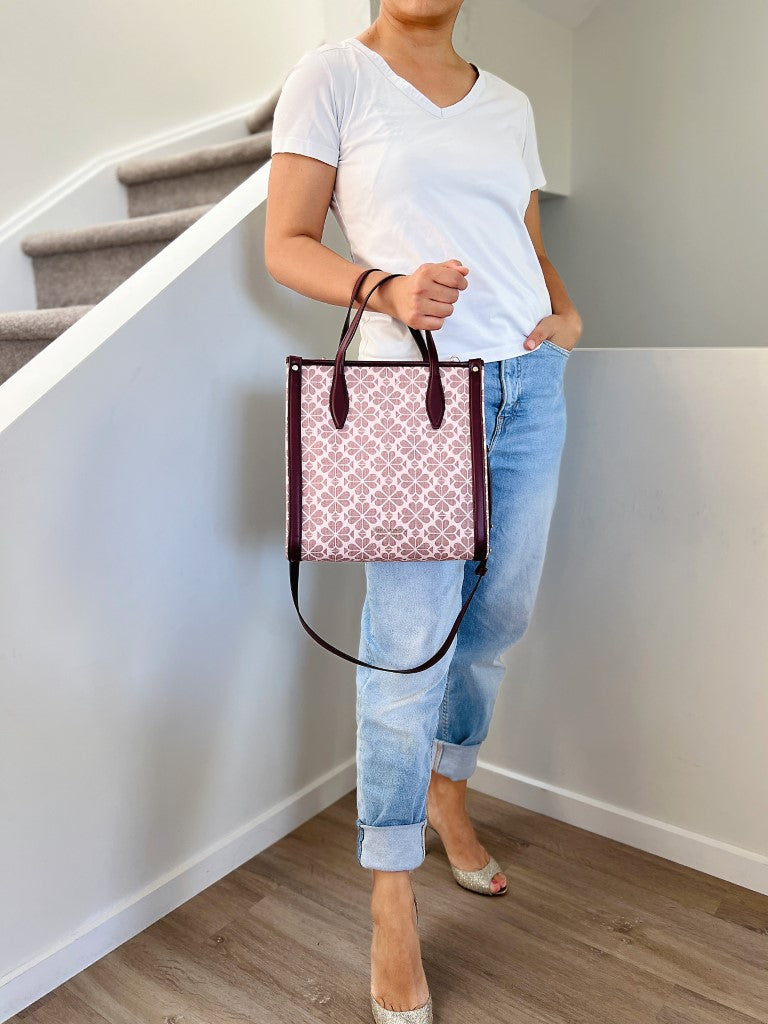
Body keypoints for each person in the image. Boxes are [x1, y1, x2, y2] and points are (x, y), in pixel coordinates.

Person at [265, 2, 582, 1020]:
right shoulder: (334, 78)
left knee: (501, 616)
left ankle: (450, 786)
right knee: (408, 647)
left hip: (529, 387)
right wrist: (388, 289)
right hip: (410, 393)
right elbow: (286, 242)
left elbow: (522, 242)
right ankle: (391, 889)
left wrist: (565, 313)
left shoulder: (513, 104)